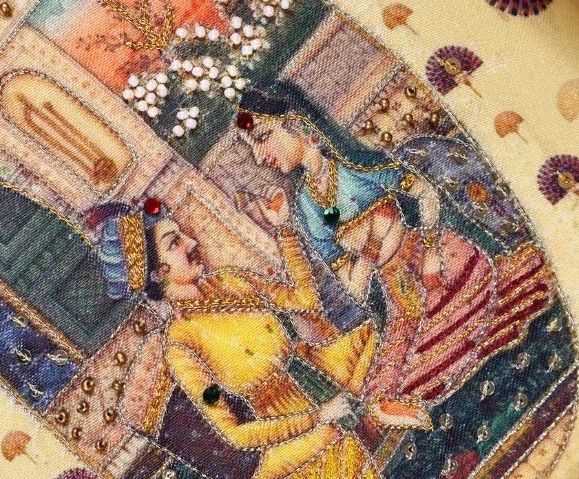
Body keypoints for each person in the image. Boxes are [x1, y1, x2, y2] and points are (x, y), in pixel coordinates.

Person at [86, 199, 430, 479]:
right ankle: (370, 413)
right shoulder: (181, 346)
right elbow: (235, 433)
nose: (192, 241)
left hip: (322, 367)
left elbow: (305, 300)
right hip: (291, 424)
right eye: (175, 242)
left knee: (381, 338)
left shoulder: (231, 282)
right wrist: (319, 416)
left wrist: (284, 230)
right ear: (159, 273)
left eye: (182, 234)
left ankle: (372, 409)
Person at [234, 90, 553, 405]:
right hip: (401, 301)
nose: (260, 157)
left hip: (437, 264)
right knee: (398, 388)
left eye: (262, 138)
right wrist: (374, 241)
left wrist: (430, 253)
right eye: (252, 148)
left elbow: (426, 193)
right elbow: (355, 290)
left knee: (474, 327)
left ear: (298, 125)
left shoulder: (354, 164)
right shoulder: (306, 208)